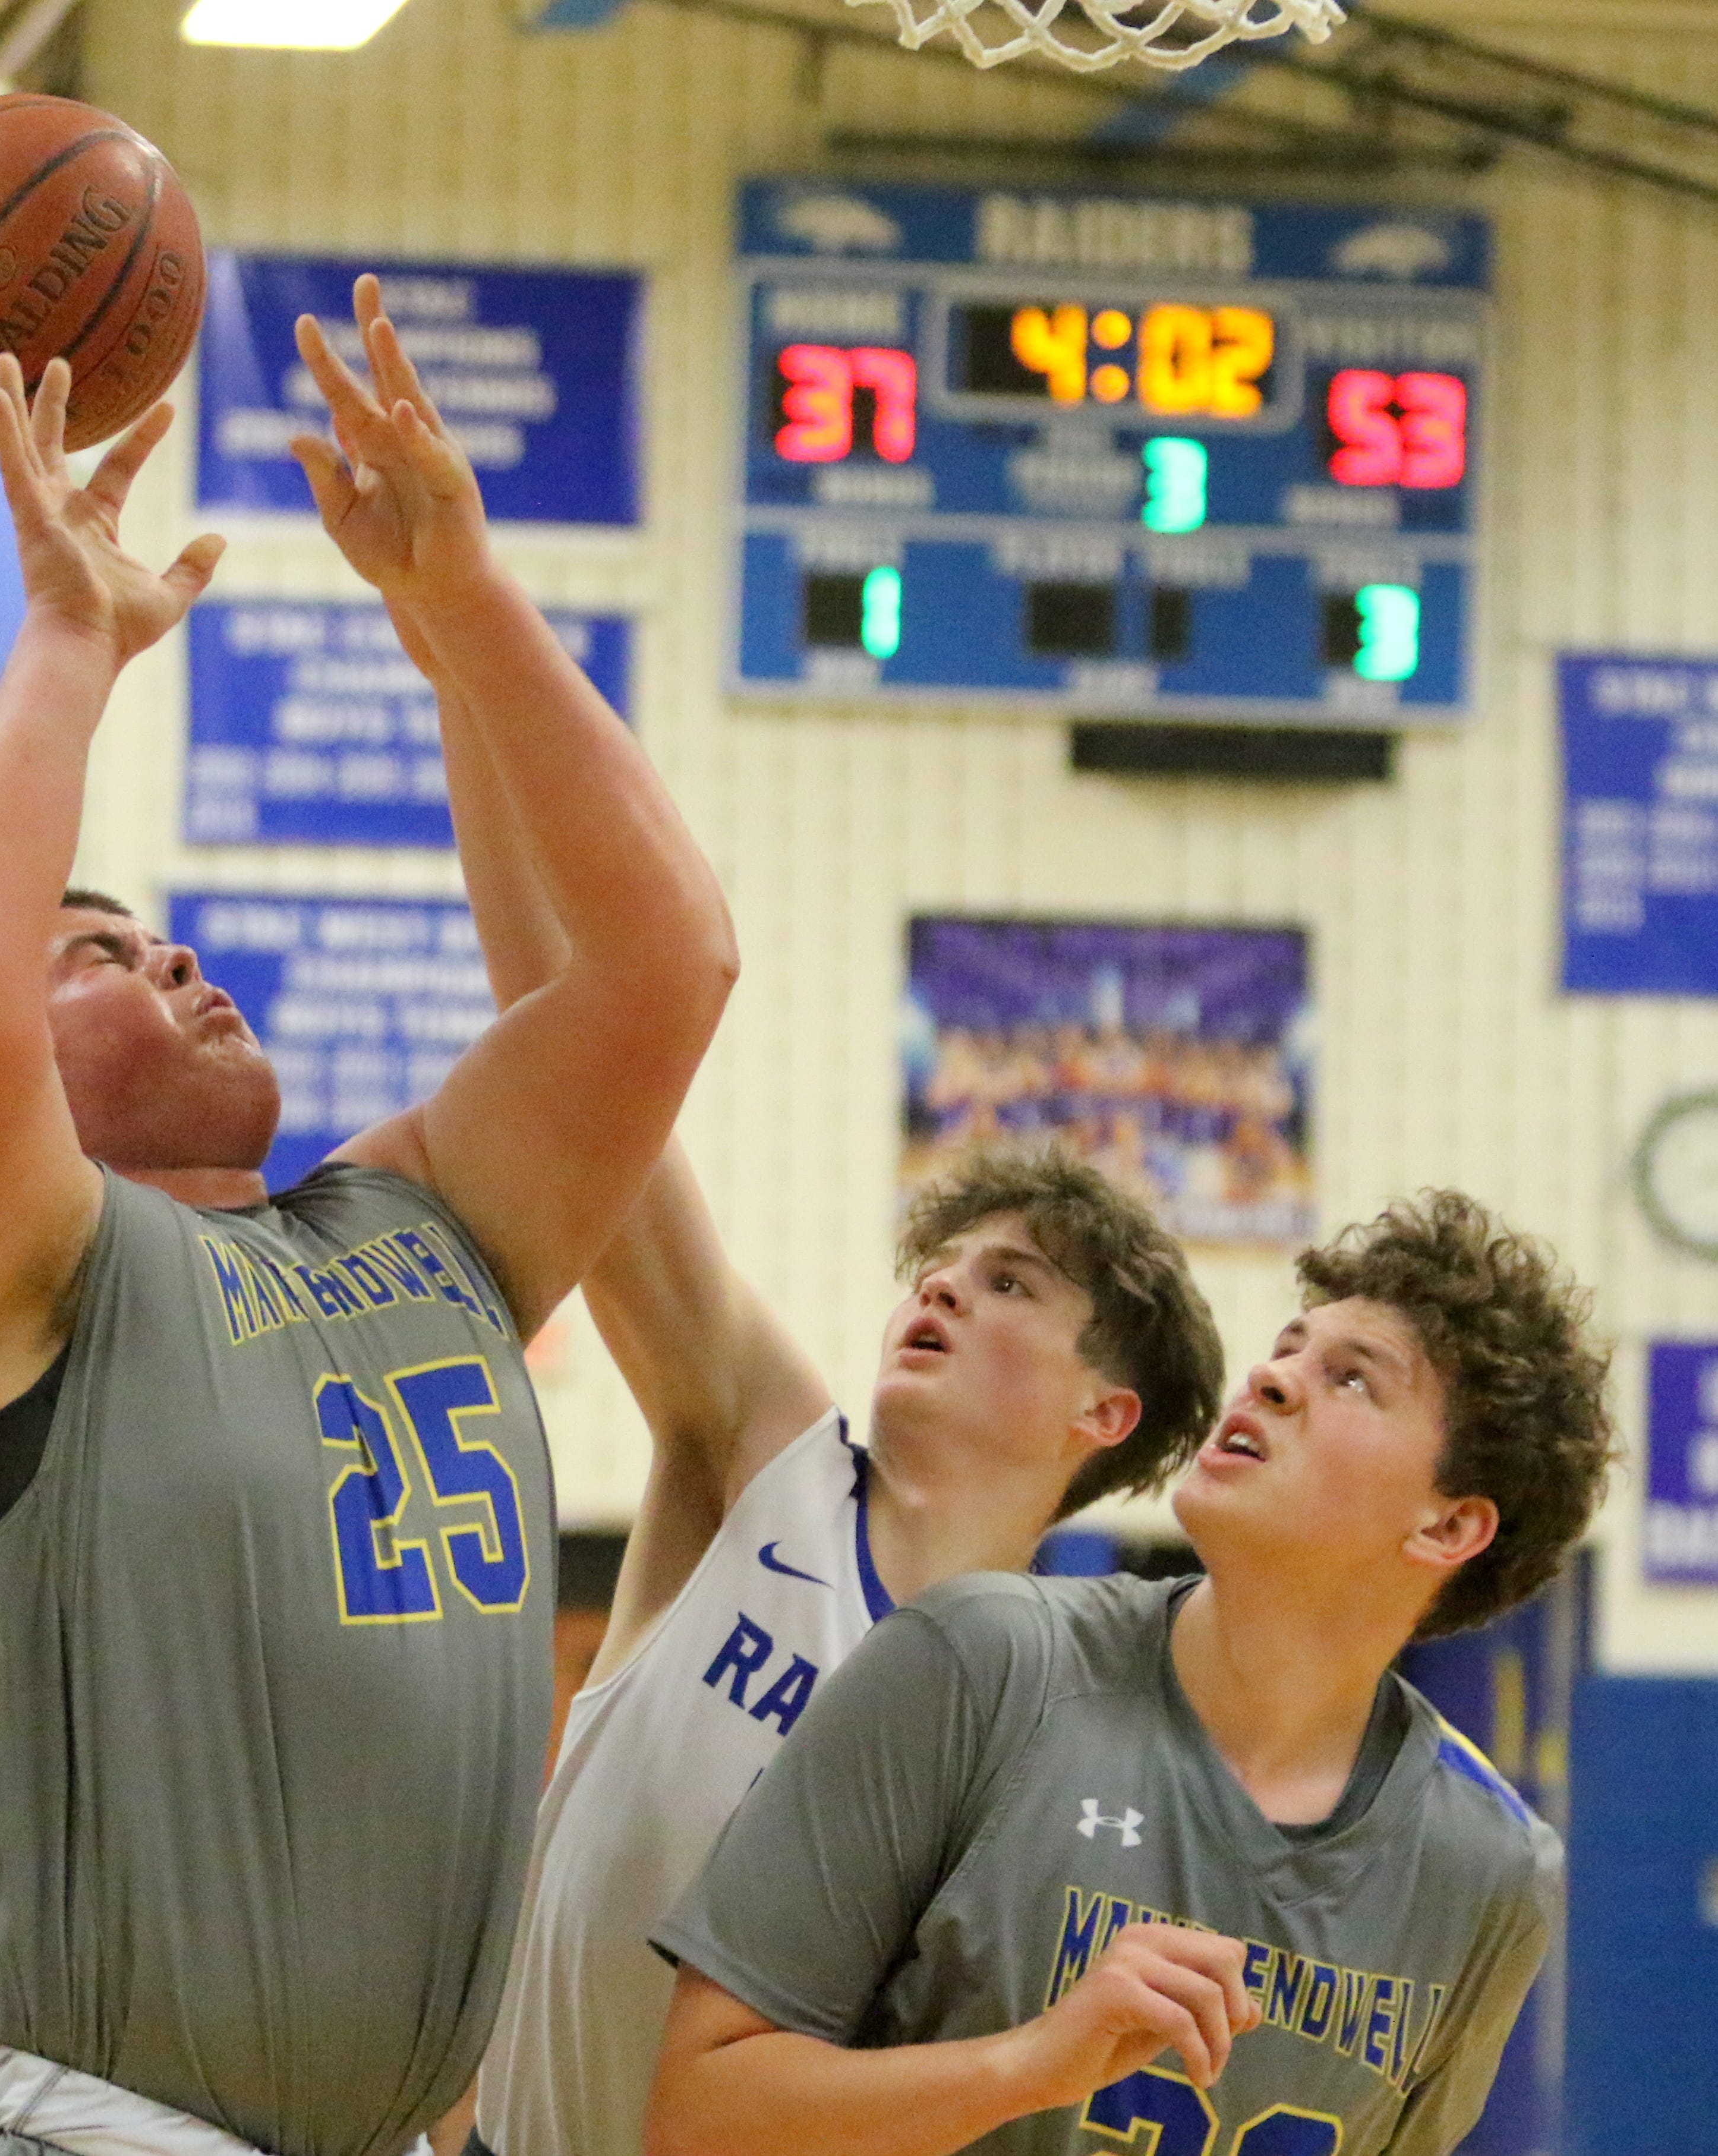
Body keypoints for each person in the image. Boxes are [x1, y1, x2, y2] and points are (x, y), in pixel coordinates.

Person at [0, 300, 736, 2156]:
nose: (165, 949)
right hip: (40, 2124)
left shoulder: (424, 1220)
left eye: (155, 932)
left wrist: (462, 601)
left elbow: (662, 962)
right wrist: (74, 635)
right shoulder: (7, 1276)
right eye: (91, 955)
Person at [328, 296, 1225, 2156]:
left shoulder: (1050, 1719)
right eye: (942, 1263)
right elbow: (566, 1038)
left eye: (1010, 1291)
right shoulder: (764, 1459)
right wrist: (449, 642)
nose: (940, 1291)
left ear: (1099, 1418)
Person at [645, 1191, 1613, 2156]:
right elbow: (695, 2115)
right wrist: (1024, 2064)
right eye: (1286, 1347)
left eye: (1351, 1379)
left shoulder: (1490, 1871)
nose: (1271, 1378)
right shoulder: (977, 1659)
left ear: (1445, 1525)